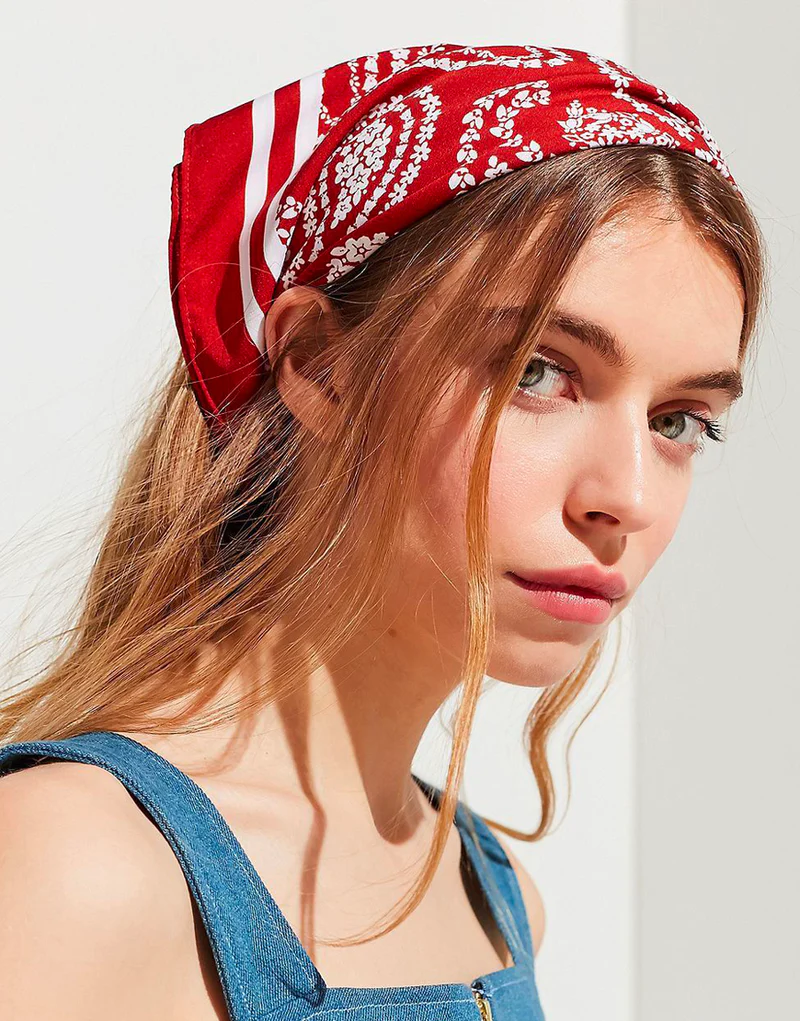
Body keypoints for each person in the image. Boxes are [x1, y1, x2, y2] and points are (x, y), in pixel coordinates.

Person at [0, 42, 764, 1021]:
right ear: (321, 366)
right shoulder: (73, 867)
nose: (626, 495)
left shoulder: (497, 900)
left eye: (679, 422)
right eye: (537, 372)